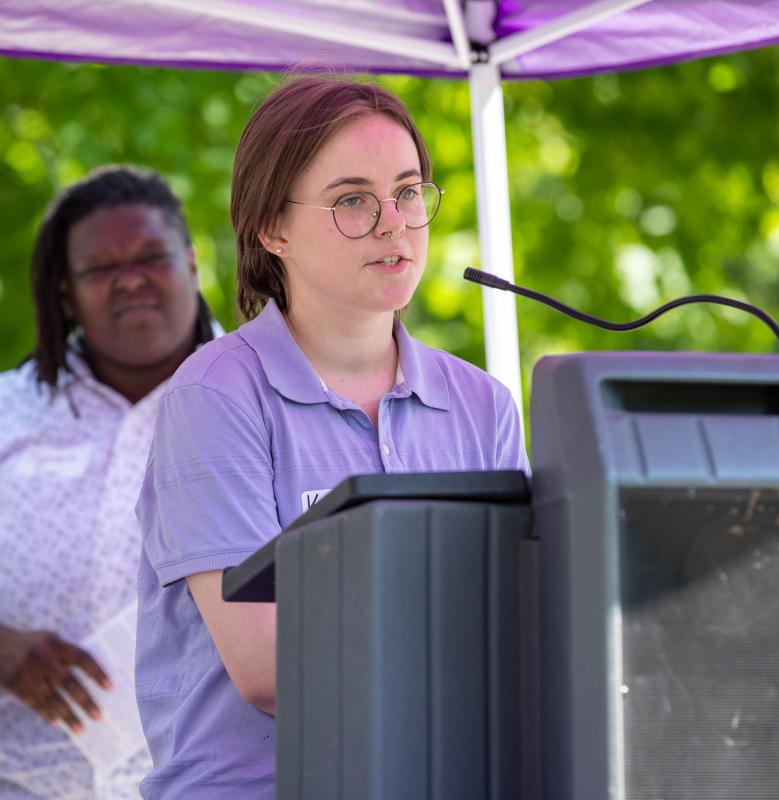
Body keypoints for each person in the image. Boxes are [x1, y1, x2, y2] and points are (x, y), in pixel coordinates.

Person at [135, 75, 529, 799]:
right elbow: (268, 665)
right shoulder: (214, 396)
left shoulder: (485, 405)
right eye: (352, 200)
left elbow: (531, 616)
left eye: (409, 192)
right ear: (271, 229)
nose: (394, 223)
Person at [0, 164, 216, 799]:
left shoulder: (265, 401)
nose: (130, 279)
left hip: (207, 782)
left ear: (193, 261)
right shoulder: (10, 411)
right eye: (99, 269)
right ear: (66, 290)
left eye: (152, 255)